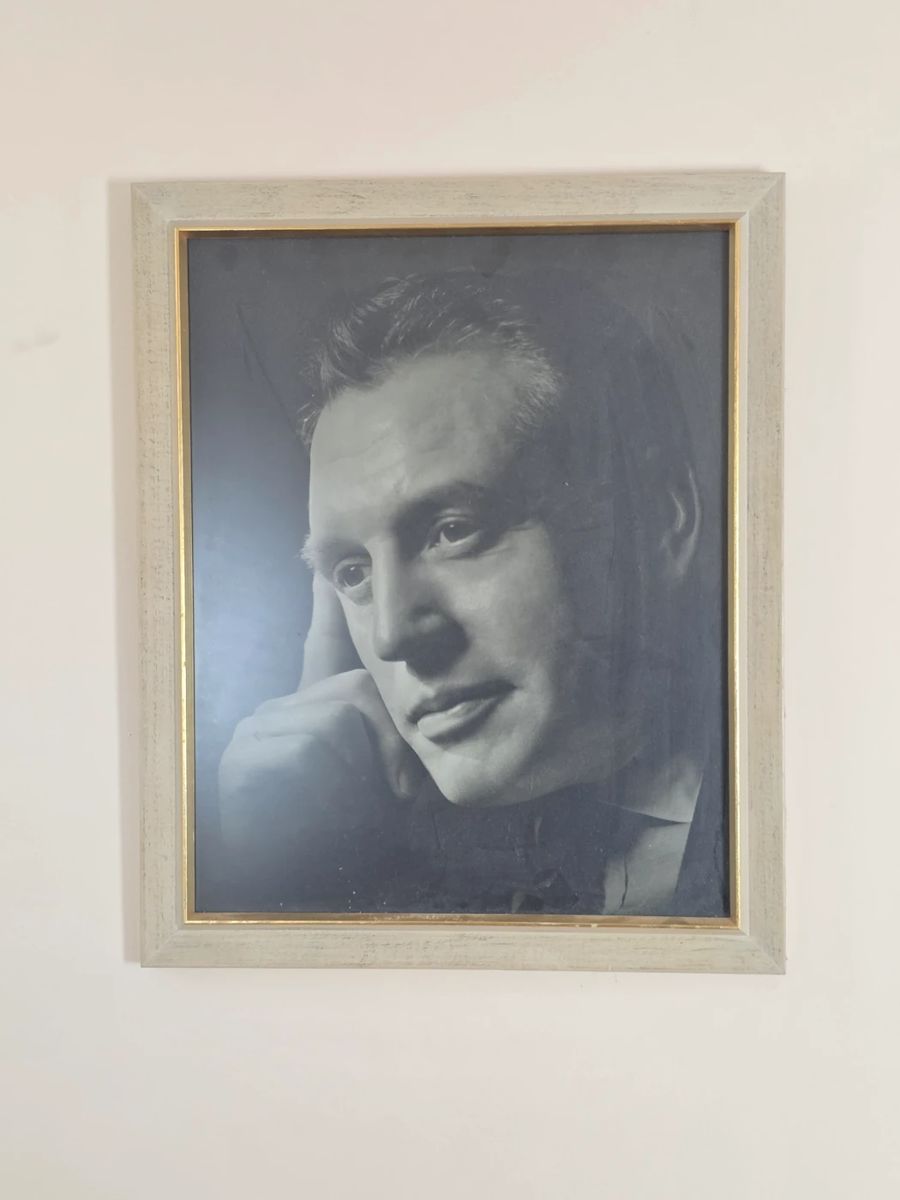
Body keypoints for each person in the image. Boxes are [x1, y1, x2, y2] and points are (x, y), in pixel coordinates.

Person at [217, 270, 728, 917]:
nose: (392, 635)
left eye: (452, 531)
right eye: (353, 572)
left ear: (659, 524)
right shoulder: (371, 859)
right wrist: (279, 881)